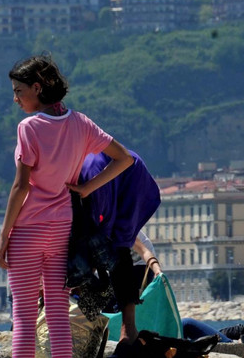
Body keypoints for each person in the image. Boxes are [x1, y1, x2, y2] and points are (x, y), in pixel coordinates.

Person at [0, 55, 133, 358]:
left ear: (37, 87)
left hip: (27, 230)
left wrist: (4, 235)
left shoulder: (28, 127)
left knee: (24, 316)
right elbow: (125, 158)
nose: (15, 98)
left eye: (19, 91)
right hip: (61, 230)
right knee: (57, 314)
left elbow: (20, 187)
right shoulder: (80, 123)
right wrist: (86, 188)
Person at [78, 147, 161, 342]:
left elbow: (109, 241)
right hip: (101, 181)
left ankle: (129, 329)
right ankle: (89, 319)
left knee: (117, 245)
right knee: (88, 254)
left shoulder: (92, 175)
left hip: (129, 180)